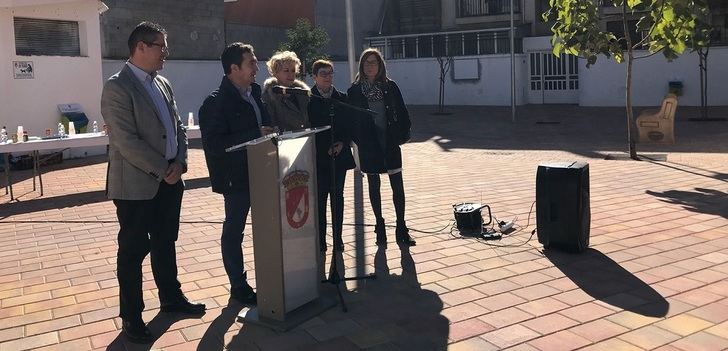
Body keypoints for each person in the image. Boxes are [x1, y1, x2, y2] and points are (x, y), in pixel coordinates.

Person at [100, 21, 205, 344]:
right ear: (141, 47)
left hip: (169, 181)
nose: (166, 53)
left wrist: (181, 162)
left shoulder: (162, 83)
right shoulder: (117, 87)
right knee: (132, 251)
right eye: (160, 45)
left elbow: (178, 128)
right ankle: (131, 316)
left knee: (165, 243)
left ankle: (171, 298)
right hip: (136, 185)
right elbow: (126, 141)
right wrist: (163, 168)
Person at [199, 43, 273, 306]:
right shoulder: (215, 102)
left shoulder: (255, 92)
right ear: (234, 68)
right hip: (236, 177)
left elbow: (264, 127)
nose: (257, 67)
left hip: (264, 172)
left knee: (269, 227)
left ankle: (273, 277)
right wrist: (256, 134)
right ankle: (238, 285)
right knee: (235, 230)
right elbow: (214, 145)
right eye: (251, 63)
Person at [347, 48, 416, 247]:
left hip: (390, 141)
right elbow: (351, 120)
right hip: (370, 144)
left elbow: (402, 111)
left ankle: (401, 227)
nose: (370, 66)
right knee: (373, 185)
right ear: (362, 65)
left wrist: (404, 134)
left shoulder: (390, 87)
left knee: (398, 186)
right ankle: (379, 225)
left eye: (374, 62)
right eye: (367, 62)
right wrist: (359, 140)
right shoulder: (355, 90)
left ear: (380, 66)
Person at [308, 60, 355, 252]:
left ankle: (338, 238)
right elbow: (308, 129)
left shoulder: (341, 98)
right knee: (320, 199)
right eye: (323, 74)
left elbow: (350, 125)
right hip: (319, 157)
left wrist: (342, 142)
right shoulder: (309, 100)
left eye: (330, 73)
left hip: (339, 156)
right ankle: (320, 239)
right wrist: (323, 147)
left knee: (337, 197)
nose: (327, 77)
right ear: (314, 77)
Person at [262, 51, 310, 132]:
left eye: (293, 70)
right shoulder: (269, 95)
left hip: (306, 140)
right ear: (276, 72)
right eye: (286, 70)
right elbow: (271, 124)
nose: (291, 74)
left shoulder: (302, 92)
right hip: (284, 142)